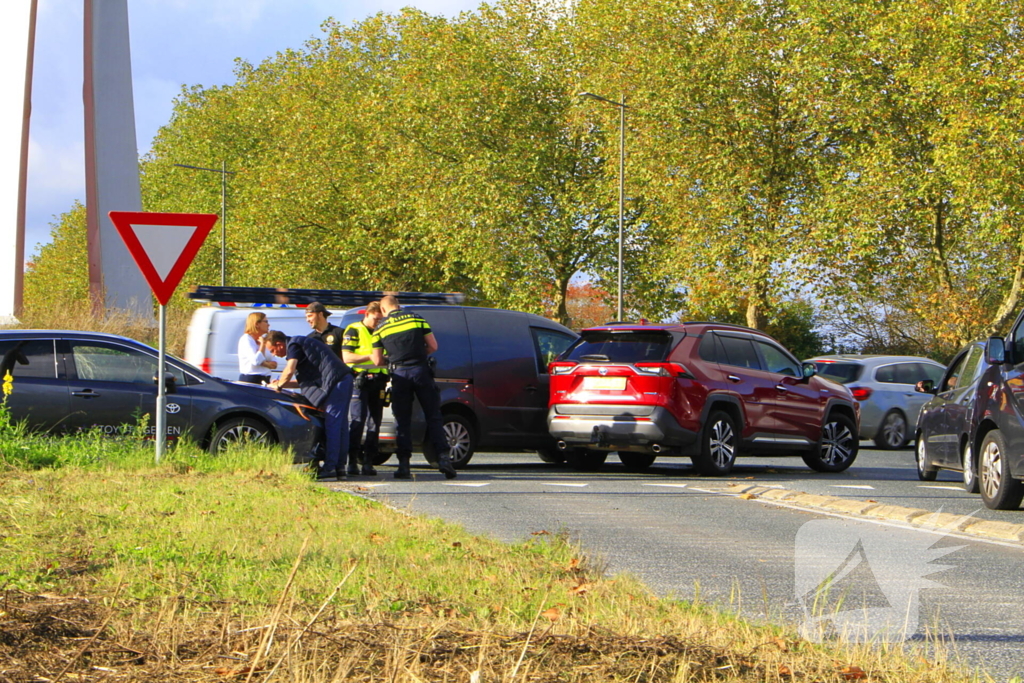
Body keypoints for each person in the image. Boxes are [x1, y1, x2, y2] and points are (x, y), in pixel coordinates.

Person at [370, 295, 455, 480]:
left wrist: (394, 359)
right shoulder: (416, 318)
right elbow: (433, 346)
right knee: (433, 416)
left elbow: (377, 360)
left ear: (383, 310)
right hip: (421, 371)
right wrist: (416, 355)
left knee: (402, 420)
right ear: (398, 306)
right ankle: (443, 458)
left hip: (400, 375)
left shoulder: (380, 328)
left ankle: (404, 465)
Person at [266, 330, 353, 480]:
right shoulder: (301, 344)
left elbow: (289, 370)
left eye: (273, 350)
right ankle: (339, 468)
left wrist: (279, 385)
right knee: (341, 427)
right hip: (342, 380)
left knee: (332, 425)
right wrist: (282, 384)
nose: (274, 355)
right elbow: (301, 381)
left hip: (336, 383)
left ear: (279, 344)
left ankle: (330, 468)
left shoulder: (294, 344)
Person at [341, 302, 386, 476]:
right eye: (376, 319)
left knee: (375, 423)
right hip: (360, 380)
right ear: (367, 314)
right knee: (357, 421)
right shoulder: (354, 329)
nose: (378, 322)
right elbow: (347, 356)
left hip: (379, 381)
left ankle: (369, 461)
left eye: (380, 320)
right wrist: (371, 356)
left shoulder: (381, 331)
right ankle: (352, 461)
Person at [237, 311, 277, 384]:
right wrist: (262, 345)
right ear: (257, 324)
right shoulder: (246, 339)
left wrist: (263, 363)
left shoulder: (263, 339)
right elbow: (256, 361)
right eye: (266, 322)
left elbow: (274, 364)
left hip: (265, 379)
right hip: (251, 380)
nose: (268, 325)